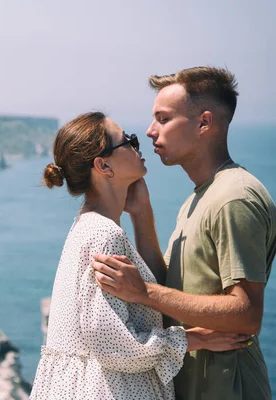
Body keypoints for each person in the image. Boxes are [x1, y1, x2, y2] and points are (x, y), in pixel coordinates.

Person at [29, 111, 250, 400]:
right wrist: (195, 338)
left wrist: (141, 213)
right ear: (103, 165)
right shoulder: (104, 235)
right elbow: (113, 346)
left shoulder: (86, 226)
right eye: (128, 142)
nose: (138, 145)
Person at [91, 66, 276, 400]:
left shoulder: (233, 198)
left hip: (229, 388)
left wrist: (143, 292)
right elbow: (173, 292)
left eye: (163, 119)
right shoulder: (201, 196)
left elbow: (247, 314)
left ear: (204, 123)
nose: (149, 131)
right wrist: (142, 215)